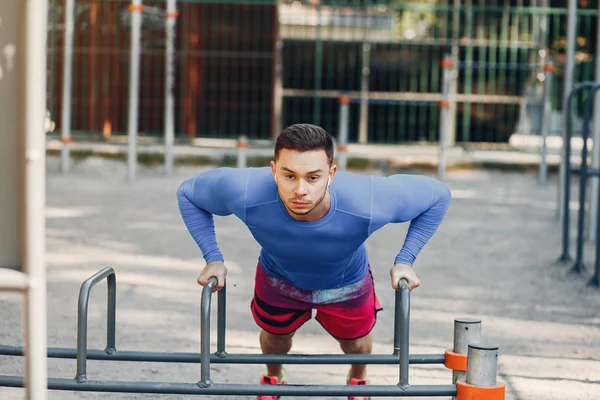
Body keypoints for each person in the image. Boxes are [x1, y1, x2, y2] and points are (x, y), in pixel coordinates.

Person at [176, 124, 451, 400]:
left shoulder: (366, 200)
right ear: (273, 170)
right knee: (274, 339)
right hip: (278, 278)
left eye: (313, 177)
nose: (300, 190)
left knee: (355, 344)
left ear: (331, 175)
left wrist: (405, 259)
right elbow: (188, 193)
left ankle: (357, 382)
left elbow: (438, 195)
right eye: (289, 175)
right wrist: (213, 258)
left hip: (346, 283)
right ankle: (274, 378)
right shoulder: (245, 190)